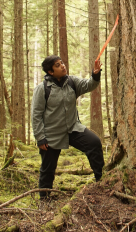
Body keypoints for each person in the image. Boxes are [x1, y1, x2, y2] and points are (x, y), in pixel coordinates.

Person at [31, 55, 104, 200]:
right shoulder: (42, 89)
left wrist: (95, 73)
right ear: (50, 72)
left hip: (73, 129)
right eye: (57, 65)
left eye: (62, 63)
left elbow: (89, 85)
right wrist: (40, 137)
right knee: (47, 169)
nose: (62, 66)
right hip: (51, 134)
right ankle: (44, 199)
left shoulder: (72, 82)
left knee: (94, 143)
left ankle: (101, 183)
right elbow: (36, 115)